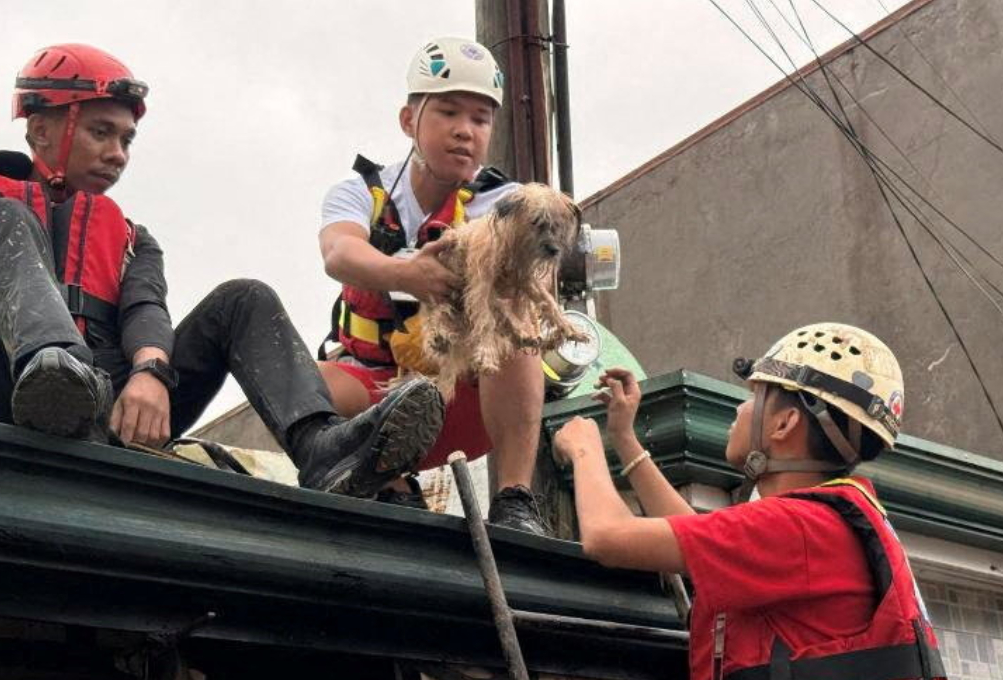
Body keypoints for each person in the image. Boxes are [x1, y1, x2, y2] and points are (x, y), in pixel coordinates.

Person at [0, 43, 445, 500]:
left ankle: (323, 447)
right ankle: (51, 369)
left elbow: (145, 307)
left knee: (244, 297)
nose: (117, 154)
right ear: (40, 129)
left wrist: (151, 372)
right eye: (101, 133)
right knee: (5, 218)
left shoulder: (133, 239)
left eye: (127, 140)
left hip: (108, 407)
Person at [552, 323, 946, 680]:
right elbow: (694, 539)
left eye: (754, 396)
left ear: (784, 424)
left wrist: (585, 448)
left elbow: (606, 537)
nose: (740, 409)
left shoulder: (799, 526)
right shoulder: (829, 520)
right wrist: (625, 438)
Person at [318, 37, 549, 534]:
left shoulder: (505, 202)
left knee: (513, 308)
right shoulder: (360, 191)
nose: (465, 131)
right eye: (448, 113)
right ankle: (388, 483)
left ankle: (514, 499)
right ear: (409, 121)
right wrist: (408, 274)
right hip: (371, 392)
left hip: (459, 397)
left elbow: (531, 264)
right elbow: (339, 253)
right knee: (300, 383)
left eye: (480, 119)